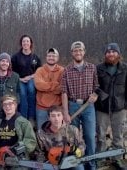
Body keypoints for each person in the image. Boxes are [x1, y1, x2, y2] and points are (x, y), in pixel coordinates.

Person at [61, 41, 99, 170]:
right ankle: (77, 165)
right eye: (75, 51)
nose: (78, 53)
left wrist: (95, 94)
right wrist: (65, 113)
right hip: (72, 106)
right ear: (72, 53)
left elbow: (97, 86)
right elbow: (64, 92)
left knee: (89, 136)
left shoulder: (92, 68)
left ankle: (91, 165)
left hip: (88, 107)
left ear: (84, 51)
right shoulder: (66, 70)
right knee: (74, 139)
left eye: (80, 50)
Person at [0, 94, 37, 170]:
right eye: (5, 104)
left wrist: (15, 150)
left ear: (15, 105)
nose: (7, 106)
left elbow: (31, 141)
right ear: (2, 107)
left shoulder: (24, 123)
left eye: (10, 104)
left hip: (17, 161)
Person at [96, 43, 127, 157]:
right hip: (101, 107)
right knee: (100, 135)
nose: (111, 54)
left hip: (119, 108)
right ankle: (100, 157)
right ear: (105, 55)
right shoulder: (98, 68)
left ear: (118, 54)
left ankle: (117, 158)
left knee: (118, 135)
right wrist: (101, 95)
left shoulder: (125, 68)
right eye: (108, 52)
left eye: (113, 52)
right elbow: (94, 86)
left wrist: (125, 106)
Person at [37, 105, 85, 170]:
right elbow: (40, 152)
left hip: (70, 162)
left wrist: (79, 152)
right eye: (53, 116)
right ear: (49, 118)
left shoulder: (73, 129)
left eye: (58, 115)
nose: (56, 119)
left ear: (62, 116)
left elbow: (81, 144)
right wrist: (41, 165)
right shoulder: (41, 133)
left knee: (79, 167)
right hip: (52, 164)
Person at [11, 34, 41, 123]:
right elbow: (11, 71)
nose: (25, 43)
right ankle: (23, 118)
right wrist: (20, 79)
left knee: (31, 91)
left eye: (27, 41)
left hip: (31, 79)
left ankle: (31, 117)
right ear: (21, 43)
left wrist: (30, 77)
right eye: (24, 41)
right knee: (23, 95)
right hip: (19, 79)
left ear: (31, 43)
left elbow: (39, 71)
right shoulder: (16, 57)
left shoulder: (35, 57)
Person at [34, 48, 64, 129]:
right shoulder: (40, 70)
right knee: (41, 133)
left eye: (53, 56)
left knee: (58, 134)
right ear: (46, 57)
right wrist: (55, 84)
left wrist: (45, 87)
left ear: (57, 58)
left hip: (57, 109)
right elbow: (38, 85)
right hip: (42, 108)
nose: (51, 58)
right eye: (49, 56)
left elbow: (61, 88)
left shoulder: (62, 71)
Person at [0, 52, 20, 122]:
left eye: (7, 61)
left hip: (12, 111)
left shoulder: (15, 76)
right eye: (3, 61)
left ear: (9, 64)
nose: (5, 63)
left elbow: (18, 93)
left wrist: (14, 106)